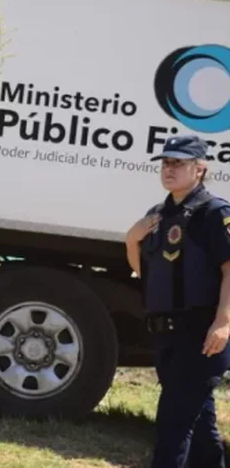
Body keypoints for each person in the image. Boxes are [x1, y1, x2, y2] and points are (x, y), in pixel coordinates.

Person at [125, 134, 230, 468]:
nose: (168, 169)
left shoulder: (213, 213)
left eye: (178, 163)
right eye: (165, 162)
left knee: (173, 425)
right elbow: (144, 270)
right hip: (166, 335)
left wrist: (224, 322)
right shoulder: (157, 215)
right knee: (199, 427)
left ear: (199, 169)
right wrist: (132, 238)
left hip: (200, 334)